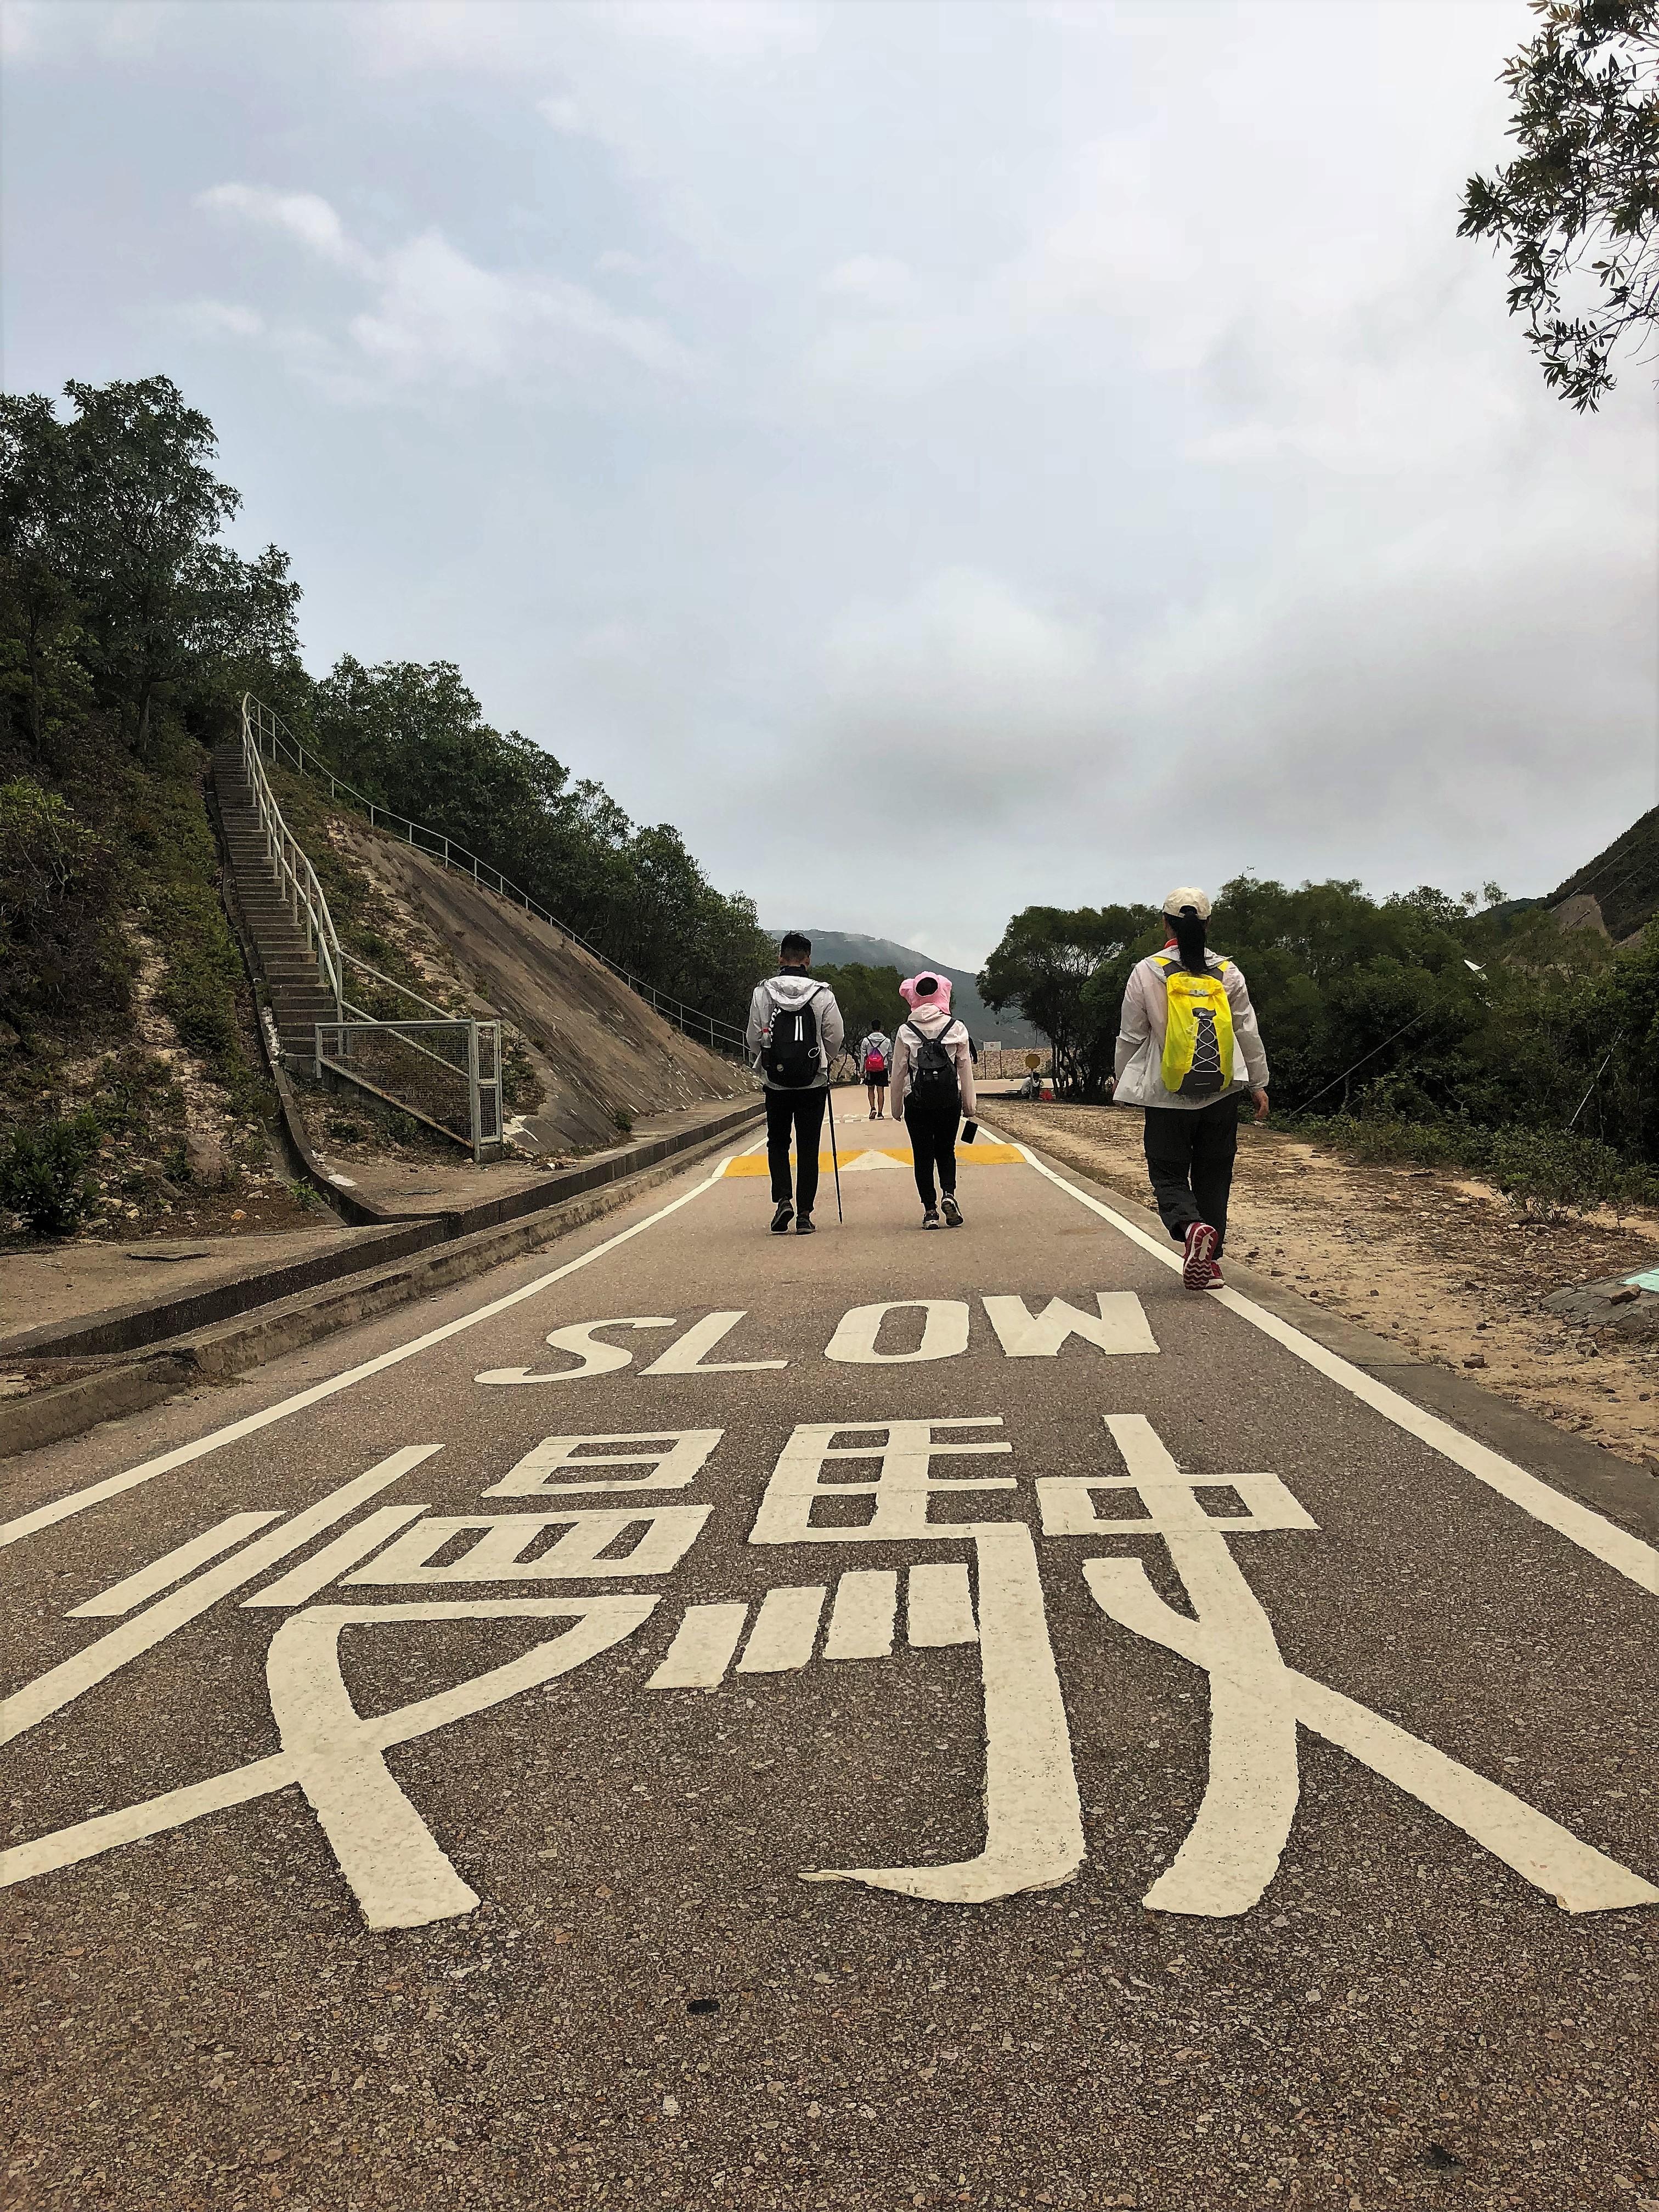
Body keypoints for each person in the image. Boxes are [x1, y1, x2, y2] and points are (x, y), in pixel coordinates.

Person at [1110, 887, 1268, 1289]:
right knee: (1215, 1173)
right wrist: (1259, 1083)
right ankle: (1211, 1262)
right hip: (1222, 1091)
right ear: (1208, 924)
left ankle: (1190, 1226)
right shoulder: (1228, 972)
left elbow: (1131, 1035)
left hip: (1166, 1093)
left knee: (1167, 1172)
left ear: (1165, 922)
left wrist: (1123, 1081)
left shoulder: (1147, 971)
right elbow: (1246, 1030)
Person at [746, 932, 845, 1235]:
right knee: (808, 1146)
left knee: (777, 1142)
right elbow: (835, 1036)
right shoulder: (823, 994)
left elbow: (752, 1037)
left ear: (780, 958)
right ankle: (805, 1214)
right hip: (812, 1083)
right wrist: (820, 1061)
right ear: (807, 960)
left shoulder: (762, 993)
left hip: (775, 1083)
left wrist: (768, 1059)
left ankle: (783, 1200)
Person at [887, 972, 976, 1229]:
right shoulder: (956, 1028)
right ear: (942, 994)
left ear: (913, 996)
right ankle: (949, 1194)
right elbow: (965, 1070)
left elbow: (899, 1072)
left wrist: (896, 1108)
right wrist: (969, 1106)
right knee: (946, 1151)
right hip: (948, 1101)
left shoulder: (906, 1031)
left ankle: (930, 1212)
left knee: (922, 1155)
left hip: (917, 1102)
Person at [857, 1023, 893, 1119]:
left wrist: (862, 1071)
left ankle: (873, 1108)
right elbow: (890, 1058)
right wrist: (891, 1071)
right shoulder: (887, 1041)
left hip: (870, 1068)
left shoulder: (866, 1041)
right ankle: (880, 1113)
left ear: (871, 1028)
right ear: (881, 1028)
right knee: (880, 1090)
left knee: (870, 1088)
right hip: (883, 1067)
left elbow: (863, 1057)